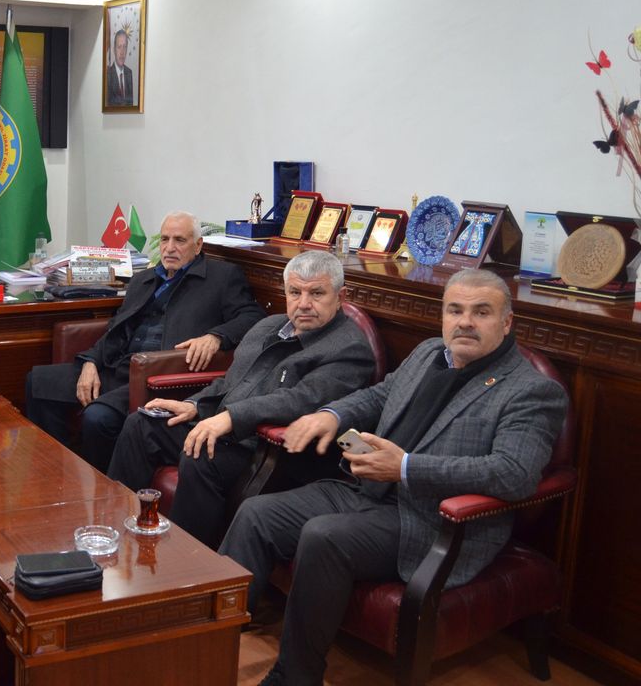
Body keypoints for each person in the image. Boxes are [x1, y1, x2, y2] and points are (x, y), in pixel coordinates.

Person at [220, 269, 567, 686]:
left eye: (481, 312)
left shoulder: (530, 389)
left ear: (506, 322)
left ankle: (294, 677)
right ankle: (206, 640)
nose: (465, 322)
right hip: (365, 489)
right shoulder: (428, 353)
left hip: (430, 519)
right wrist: (331, 414)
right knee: (256, 514)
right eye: (455, 310)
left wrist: (405, 467)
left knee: (324, 536)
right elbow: (379, 396)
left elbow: (514, 474)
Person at [106, 250, 374, 547]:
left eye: (317, 293)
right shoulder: (268, 327)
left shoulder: (349, 348)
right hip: (226, 431)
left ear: (340, 296)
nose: (304, 303)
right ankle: (116, 533)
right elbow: (231, 381)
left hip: (273, 451)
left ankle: (185, 559)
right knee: (141, 425)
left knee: (200, 454)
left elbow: (301, 400)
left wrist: (231, 417)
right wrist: (193, 405)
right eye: (295, 292)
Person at [25, 211, 265, 472]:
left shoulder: (221, 277)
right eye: (164, 239)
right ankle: (58, 471)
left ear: (198, 245)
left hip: (157, 375)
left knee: (98, 417)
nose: (169, 248)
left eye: (179, 240)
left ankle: (101, 485)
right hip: (117, 366)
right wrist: (90, 362)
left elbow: (252, 316)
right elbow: (116, 328)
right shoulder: (145, 279)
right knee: (39, 382)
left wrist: (216, 336)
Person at [106, 29, 134, 106]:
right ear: (114, 50)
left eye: (124, 47)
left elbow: (130, 105)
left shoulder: (129, 73)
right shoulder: (108, 75)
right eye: (119, 47)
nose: (122, 52)